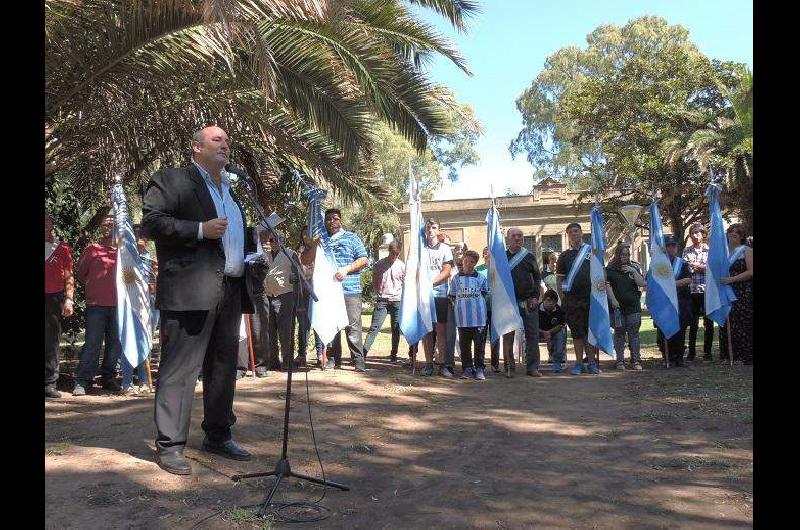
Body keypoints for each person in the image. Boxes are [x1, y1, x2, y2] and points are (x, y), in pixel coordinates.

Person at [142, 126, 256, 475]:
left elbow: (231, 238)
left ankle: (218, 434)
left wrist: (254, 239)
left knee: (223, 367)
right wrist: (198, 230)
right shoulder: (173, 180)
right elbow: (151, 222)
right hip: (190, 290)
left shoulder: (231, 190)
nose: (226, 143)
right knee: (181, 369)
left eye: (227, 140)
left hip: (231, 289)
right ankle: (171, 445)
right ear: (196, 147)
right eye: (217, 139)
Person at [300, 208, 369, 372]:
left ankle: (358, 360)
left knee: (353, 326)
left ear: (341, 221)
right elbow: (305, 260)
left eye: (336, 218)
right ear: (324, 222)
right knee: (332, 324)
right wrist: (313, 245)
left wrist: (346, 269)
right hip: (329, 290)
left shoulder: (352, 238)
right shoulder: (321, 242)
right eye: (328, 219)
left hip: (349, 289)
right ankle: (332, 358)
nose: (332, 221)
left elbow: (364, 258)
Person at [73, 215, 123, 395]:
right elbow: (80, 274)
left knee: (115, 343)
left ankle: (108, 378)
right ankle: (83, 380)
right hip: (96, 305)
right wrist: (94, 288)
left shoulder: (122, 251)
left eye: (112, 223)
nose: (109, 226)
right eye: (106, 223)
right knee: (92, 342)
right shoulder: (92, 249)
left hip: (119, 305)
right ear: (101, 227)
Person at [239, 228, 298, 378]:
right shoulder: (265, 255)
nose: (272, 243)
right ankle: (273, 361)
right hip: (268, 296)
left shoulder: (291, 254)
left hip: (285, 296)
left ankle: (287, 362)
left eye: (275, 240)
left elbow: (299, 274)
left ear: (282, 240)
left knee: (285, 331)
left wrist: (294, 279)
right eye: (270, 240)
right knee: (269, 331)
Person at [556, 223, 601, 375]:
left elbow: (599, 273)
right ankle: (579, 363)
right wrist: (562, 299)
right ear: (568, 236)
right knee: (576, 332)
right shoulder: (564, 256)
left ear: (581, 233)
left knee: (590, 331)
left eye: (576, 231)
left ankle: (592, 363)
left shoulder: (592, 251)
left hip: (590, 298)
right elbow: (560, 280)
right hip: (572, 300)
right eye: (570, 232)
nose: (574, 234)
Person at [503, 228, 543, 377]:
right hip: (508, 302)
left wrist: (535, 296)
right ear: (508, 239)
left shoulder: (529, 257)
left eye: (520, 236)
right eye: (514, 236)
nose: (517, 238)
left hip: (528, 301)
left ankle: (532, 367)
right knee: (508, 335)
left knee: (532, 334)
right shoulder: (502, 257)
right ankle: (509, 367)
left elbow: (537, 278)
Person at [121, 231, 157, 394]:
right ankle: (127, 382)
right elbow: (126, 281)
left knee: (145, 341)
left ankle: (143, 381)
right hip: (130, 303)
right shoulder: (126, 260)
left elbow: (156, 282)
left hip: (149, 303)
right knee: (128, 339)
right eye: (137, 238)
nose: (140, 241)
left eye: (143, 237)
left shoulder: (152, 260)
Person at [419, 218, 455, 377]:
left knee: (441, 331)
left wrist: (430, 282)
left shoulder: (445, 249)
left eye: (434, 227)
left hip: (440, 294)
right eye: (428, 227)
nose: (430, 230)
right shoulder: (420, 248)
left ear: (438, 230)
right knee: (427, 330)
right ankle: (428, 364)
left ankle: (442, 364)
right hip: (423, 296)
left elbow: (447, 271)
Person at [45, 214, 75, 399]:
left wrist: (69, 299)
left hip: (54, 298)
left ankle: (49, 384)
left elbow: (69, 275)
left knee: (51, 341)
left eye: (47, 221)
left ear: (52, 225)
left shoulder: (62, 247)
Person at [605, 243, 646, 371]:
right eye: (622, 254)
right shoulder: (610, 269)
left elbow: (641, 283)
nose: (625, 257)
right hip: (617, 307)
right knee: (619, 333)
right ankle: (620, 360)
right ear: (617, 254)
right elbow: (607, 286)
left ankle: (635, 360)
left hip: (633, 307)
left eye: (627, 254)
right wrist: (613, 300)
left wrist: (633, 271)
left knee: (633, 333)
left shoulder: (634, 267)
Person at [363, 240, 405, 362]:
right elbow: (374, 277)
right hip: (382, 300)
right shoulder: (379, 264)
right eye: (392, 253)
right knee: (374, 327)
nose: (394, 256)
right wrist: (377, 290)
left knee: (396, 328)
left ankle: (394, 354)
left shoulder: (402, 266)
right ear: (389, 251)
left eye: (397, 254)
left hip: (397, 300)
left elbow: (405, 282)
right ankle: (363, 353)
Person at [449, 250, 488, 380]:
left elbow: (483, 294)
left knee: (479, 345)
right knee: (464, 345)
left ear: (475, 264)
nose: (468, 264)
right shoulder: (456, 278)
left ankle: (480, 368)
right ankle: (467, 368)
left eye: (472, 262)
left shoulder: (481, 278)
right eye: (466, 261)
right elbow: (453, 296)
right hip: (462, 319)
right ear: (462, 261)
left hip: (479, 318)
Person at [655, 236, 693, 366]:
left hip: (681, 302)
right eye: (669, 246)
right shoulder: (658, 265)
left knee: (680, 329)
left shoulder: (682, 263)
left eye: (674, 245)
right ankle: (667, 355)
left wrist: (671, 284)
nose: (672, 248)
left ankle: (679, 356)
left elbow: (688, 279)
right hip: (664, 303)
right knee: (664, 329)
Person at [719, 224, 753, 365]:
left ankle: (744, 356)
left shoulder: (747, 251)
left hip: (742, 291)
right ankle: (730, 355)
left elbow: (751, 272)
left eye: (737, 232)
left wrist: (732, 279)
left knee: (742, 323)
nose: (733, 234)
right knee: (728, 322)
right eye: (731, 231)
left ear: (741, 236)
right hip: (725, 291)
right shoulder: (722, 252)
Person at [682, 223, 714, 362]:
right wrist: (695, 268)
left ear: (703, 234)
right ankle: (692, 352)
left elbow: (713, 268)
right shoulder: (686, 251)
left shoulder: (710, 251)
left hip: (707, 291)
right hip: (692, 291)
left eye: (697, 233)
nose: (695, 236)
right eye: (692, 233)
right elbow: (685, 268)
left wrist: (699, 267)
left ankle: (707, 352)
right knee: (693, 323)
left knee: (709, 323)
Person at [476, 247, 501, 372]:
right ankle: (480, 363)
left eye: (489, 253)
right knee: (480, 336)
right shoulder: (478, 270)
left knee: (495, 337)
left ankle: (495, 364)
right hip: (482, 308)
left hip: (495, 307)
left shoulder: (498, 270)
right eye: (485, 253)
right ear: (483, 255)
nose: (487, 255)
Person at [538, 290, 566, 373]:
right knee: (531, 336)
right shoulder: (536, 309)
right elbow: (532, 326)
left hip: (554, 332)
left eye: (553, 302)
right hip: (539, 332)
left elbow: (560, 325)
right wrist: (544, 332)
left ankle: (557, 361)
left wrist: (549, 332)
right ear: (543, 300)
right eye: (548, 300)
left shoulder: (559, 310)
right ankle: (533, 363)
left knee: (561, 336)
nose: (551, 303)